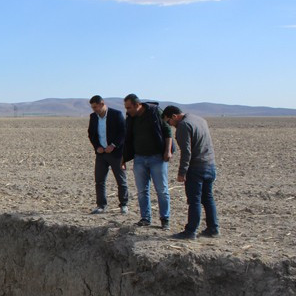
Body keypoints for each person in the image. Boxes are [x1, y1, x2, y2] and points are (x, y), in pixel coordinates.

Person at [162, 106, 220, 240]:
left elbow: (186, 152)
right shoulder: (200, 120)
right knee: (208, 198)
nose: (170, 125)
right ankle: (213, 229)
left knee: (194, 201)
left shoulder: (183, 125)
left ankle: (190, 231)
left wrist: (182, 172)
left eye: (169, 121)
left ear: (174, 116)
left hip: (196, 168)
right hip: (210, 164)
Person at [123, 94, 173, 229]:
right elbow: (127, 138)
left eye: (129, 107)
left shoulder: (155, 112)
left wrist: (167, 151)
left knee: (162, 190)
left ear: (137, 105)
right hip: (139, 158)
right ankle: (145, 218)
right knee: (142, 191)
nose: (127, 110)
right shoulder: (131, 117)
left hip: (157, 158)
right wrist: (124, 158)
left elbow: (167, 131)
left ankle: (165, 219)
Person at [87, 95, 129, 214]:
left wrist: (113, 145)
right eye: (92, 107)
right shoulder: (93, 117)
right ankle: (101, 205)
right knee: (99, 180)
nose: (94, 109)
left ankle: (124, 204)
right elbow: (91, 134)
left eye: (96, 107)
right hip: (101, 154)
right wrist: (97, 147)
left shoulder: (116, 114)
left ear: (102, 104)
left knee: (121, 180)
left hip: (116, 154)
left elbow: (123, 132)